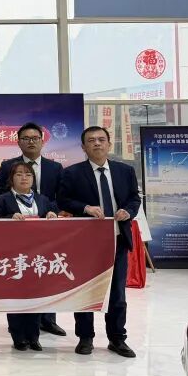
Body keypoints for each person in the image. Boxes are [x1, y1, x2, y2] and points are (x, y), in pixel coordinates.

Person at [57, 126, 140, 358]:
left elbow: (134, 198)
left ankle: (117, 338)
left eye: (101, 139)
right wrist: (85, 208)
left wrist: (128, 211)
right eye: (91, 140)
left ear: (109, 144)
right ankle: (85, 338)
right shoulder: (72, 173)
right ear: (83, 147)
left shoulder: (125, 171)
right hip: (86, 243)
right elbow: (63, 200)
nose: (97, 143)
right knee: (85, 291)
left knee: (117, 293)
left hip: (117, 240)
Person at [0, 122, 67, 338]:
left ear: (42, 141)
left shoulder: (55, 168)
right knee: (18, 277)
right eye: (26, 138)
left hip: (46, 235)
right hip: (16, 236)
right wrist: (11, 214)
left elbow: (60, 197)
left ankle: (48, 320)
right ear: (18, 142)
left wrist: (52, 212)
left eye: (35, 138)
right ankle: (18, 323)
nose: (31, 142)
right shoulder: (8, 166)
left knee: (46, 274)